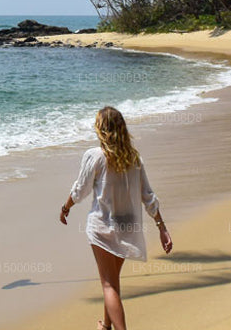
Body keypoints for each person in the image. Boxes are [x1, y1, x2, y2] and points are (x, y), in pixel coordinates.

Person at [60, 106, 173, 330]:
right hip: (127, 225)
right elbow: (147, 195)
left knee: (108, 284)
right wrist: (161, 227)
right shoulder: (134, 157)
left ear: (101, 129)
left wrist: (65, 207)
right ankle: (106, 327)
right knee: (112, 281)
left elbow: (80, 191)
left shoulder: (95, 156)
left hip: (102, 226)